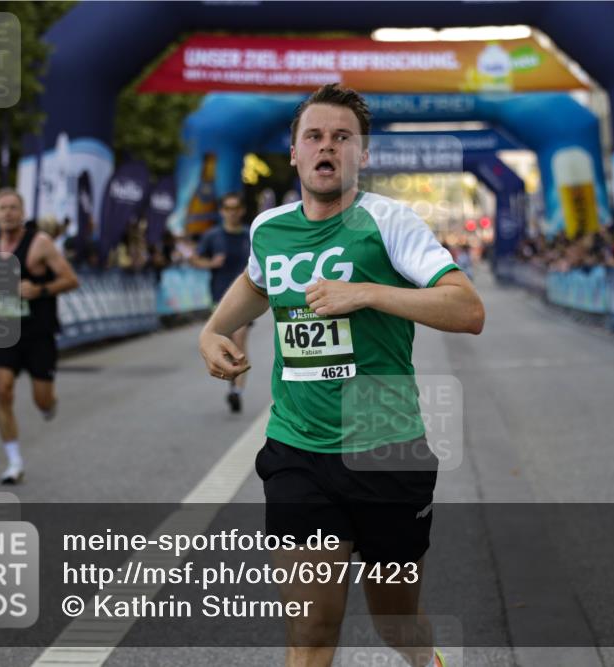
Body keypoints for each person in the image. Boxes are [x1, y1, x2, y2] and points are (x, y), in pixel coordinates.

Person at [198, 83, 484, 667]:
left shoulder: (389, 222)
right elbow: (257, 284)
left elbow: (467, 310)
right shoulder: (269, 229)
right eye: (315, 137)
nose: (327, 147)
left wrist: (369, 293)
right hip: (299, 451)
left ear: (363, 154)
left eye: (342, 138)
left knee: (396, 622)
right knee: (310, 633)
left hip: (387, 450)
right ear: (295, 153)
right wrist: (212, 331)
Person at [0, 188, 80, 483]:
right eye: (2, 208)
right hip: (5, 328)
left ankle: (49, 404)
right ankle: (14, 462)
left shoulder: (40, 243)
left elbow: (71, 279)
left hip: (39, 331)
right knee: (2, 388)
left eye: (13, 208)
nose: (7, 213)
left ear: (23, 213)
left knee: (41, 400)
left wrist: (40, 290)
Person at [191, 191, 253, 413]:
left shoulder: (250, 234)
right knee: (226, 344)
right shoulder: (212, 236)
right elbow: (195, 259)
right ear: (222, 211)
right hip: (219, 297)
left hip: (246, 299)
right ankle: (232, 378)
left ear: (242, 210)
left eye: (236, 208)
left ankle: (236, 392)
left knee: (240, 337)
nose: (232, 212)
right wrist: (210, 263)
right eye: (228, 208)